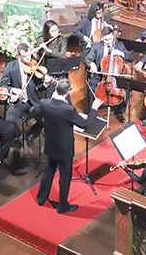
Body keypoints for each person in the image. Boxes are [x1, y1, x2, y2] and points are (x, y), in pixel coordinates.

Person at [36, 79, 103, 214]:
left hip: (50, 143)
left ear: (55, 90)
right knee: (65, 177)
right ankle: (63, 206)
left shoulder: (44, 103)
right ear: (67, 93)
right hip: (64, 148)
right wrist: (94, 108)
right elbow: (85, 124)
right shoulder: (68, 109)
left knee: (48, 171)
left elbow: (40, 115)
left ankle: (41, 198)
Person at [0, 42, 52, 145]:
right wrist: (13, 90)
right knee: (9, 121)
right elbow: (2, 85)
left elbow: (39, 88)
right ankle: (16, 136)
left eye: (29, 55)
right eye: (24, 56)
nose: (28, 59)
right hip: (17, 102)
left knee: (46, 118)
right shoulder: (11, 66)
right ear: (19, 55)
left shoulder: (34, 65)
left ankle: (31, 134)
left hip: (32, 101)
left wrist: (45, 84)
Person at [84, 26, 133, 123]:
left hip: (115, 74)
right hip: (101, 74)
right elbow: (87, 59)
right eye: (106, 39)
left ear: (113, 36)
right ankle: (93, 111)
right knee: (92, 86)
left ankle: (119, 111)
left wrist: (121, 53)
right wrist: (91, 64)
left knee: (126, 88)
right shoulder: (97, 46)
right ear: (102, 38)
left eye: (110, 39)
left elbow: (131, 57)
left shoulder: (120, 45)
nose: (109, 41)